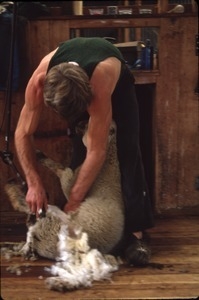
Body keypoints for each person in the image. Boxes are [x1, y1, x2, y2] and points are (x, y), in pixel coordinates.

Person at [15, 37, 154, 266]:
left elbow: (98, 151)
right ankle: (94, 219)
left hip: (115, 83)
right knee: (80, 152)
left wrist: (73, 201)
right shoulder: (38, 81)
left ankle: (138, 234)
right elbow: (22, 133)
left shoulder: (100, 84)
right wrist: (33, 182)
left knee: (127, 151)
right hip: (74, 85)